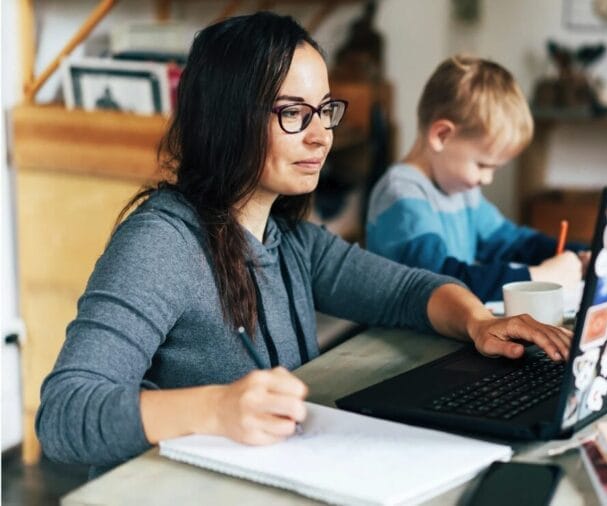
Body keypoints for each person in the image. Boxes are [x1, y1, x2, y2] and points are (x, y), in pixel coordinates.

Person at [35, 13, 572, 477]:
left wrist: (478, 321)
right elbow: (63, 415)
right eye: (293, 113)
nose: (321, 135)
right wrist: (215, 408)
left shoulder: (290, 240)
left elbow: (407, 290)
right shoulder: (160, 244)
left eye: (324, 110)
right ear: (230, 118)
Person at [366, 55, 589, 302]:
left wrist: (580, 254)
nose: (487, 179)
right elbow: (442, 281)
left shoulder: (462, 190)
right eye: (482, 164)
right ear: (441, 135)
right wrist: (536, 277)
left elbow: (512, 243)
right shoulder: (402, 195)